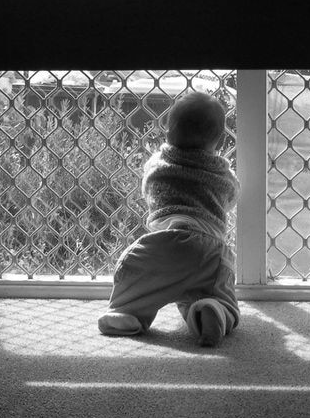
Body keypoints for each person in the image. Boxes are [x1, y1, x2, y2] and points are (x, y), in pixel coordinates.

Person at [97, 91, 240, 347]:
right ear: (218, 140)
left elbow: (148, 188)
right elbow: (231, 197)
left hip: (166, 243)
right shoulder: (221, 172)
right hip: (210, 251)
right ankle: (214, 309)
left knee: (137, 277)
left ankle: (125, 312)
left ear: (168, 129)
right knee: (214, 294)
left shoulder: (158, 164)